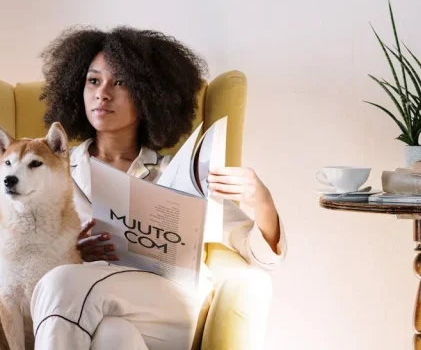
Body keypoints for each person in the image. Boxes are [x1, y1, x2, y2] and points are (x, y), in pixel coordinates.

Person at [30, 26, 287, 350]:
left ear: (147, 94)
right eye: (93, 80)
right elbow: (19, 252)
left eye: (119, 82)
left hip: (166, 310)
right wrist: (73, 250)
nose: (102, 93)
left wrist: (261, 199)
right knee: (114, 338)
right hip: (90, 312)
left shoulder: (178, 173)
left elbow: (262, 256)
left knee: (61, 282)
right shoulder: (53, 173)